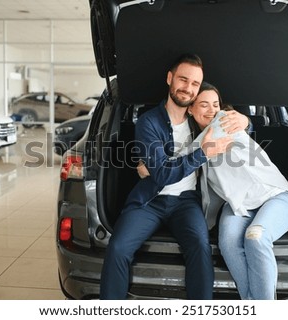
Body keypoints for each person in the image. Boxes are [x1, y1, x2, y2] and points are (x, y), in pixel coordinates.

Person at [99, 54, 236, 300]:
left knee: (199, 246)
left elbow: (237, 127)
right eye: (183, 80)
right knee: (118, 248)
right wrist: (202, 154)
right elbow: (161, 175)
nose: (188, 88)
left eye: (195, 84)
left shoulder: (200, 119)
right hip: (150, 201)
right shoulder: (148, 122)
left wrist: (244, 119)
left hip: (186, 202)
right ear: (170, 79)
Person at [187, 82, 288, 300]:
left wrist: (246, 121)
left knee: (255, 237)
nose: (212, 110)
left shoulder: (223, 122)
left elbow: (188, 154)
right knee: (228, 244)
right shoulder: (195, 143)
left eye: (215, 104)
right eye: (203, 105)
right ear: (190, 109)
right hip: (238, 205)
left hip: (274, 196)